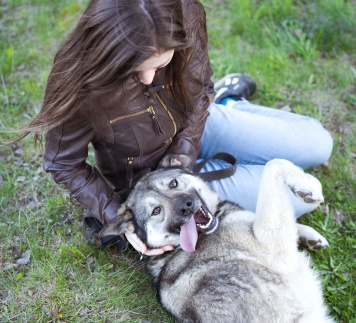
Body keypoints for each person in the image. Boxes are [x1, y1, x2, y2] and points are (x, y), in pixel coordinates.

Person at [16, 0, 333, 255]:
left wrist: (182, 159)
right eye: (134, 69)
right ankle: (231, 157)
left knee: (319, 145)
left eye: (159, 64)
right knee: (299, 196)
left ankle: (230, 102)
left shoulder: (185, 13)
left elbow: (200, 90)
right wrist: (120, 217)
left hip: (198, 126)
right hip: (155, 182)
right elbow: (63, 163)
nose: (148, 79)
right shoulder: (81, 84)